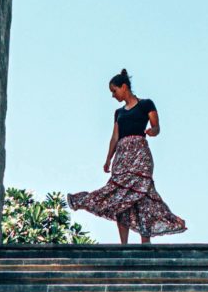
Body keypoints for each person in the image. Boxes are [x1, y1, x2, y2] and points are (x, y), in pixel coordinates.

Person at [68, 69, 187, 243]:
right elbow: (115, 136)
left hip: (140, 154)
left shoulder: (146, 104)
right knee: (119, 196)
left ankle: (145, 243)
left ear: (124, 87)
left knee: (143, 196)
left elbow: (156, 126)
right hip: (122, 157)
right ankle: (123, 244)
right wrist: (108, 158)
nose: (113, 95)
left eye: (114, 91)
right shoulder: (119, 113)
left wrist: (152, 131)